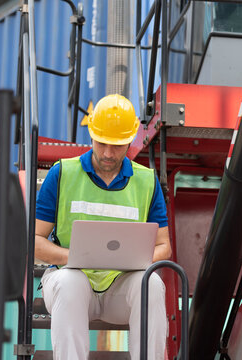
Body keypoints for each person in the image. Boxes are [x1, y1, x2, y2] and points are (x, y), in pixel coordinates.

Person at [35, 94, 171, 360]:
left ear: (131, 139)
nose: (108, 153)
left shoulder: (147, 182)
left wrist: (132, 260)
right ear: (91, 134)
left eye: (118, 146)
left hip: (119, 289)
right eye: (102, 143)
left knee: (151, 283)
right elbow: (36, 242)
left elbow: (164, 246)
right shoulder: (62, 173)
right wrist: (74, 258)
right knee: (70, 280)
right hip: (71, 283)